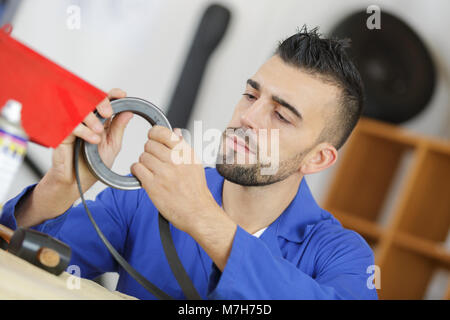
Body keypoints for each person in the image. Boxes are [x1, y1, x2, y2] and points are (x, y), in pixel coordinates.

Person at [0, 27, 378, 299]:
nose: (248, 117)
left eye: (282, 116)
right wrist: (58, 189)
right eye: (251, 95)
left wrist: (201, 217)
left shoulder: (342, 254)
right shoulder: (148, 196)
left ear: (318, 158)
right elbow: (27, 263)